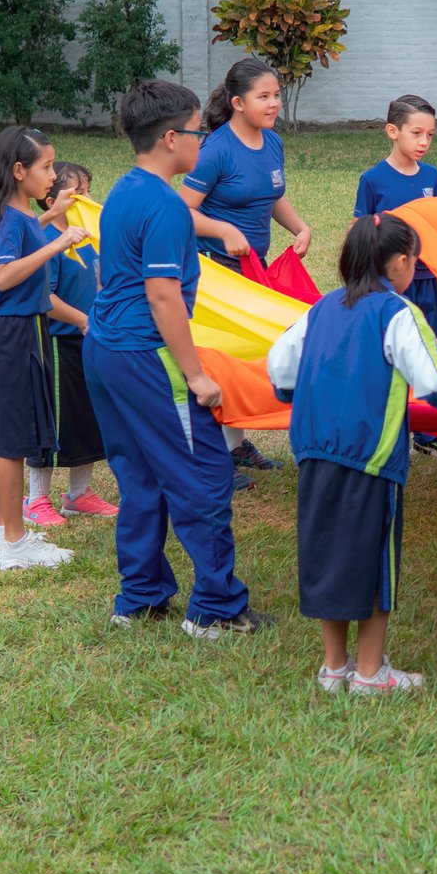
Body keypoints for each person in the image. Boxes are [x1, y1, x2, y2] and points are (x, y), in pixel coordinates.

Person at [268, 213, 437, 695]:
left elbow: (280, 368)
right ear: (400, 263)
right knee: (374, 562)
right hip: (370, 458)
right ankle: (371, 674)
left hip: (314, 451)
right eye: (415, 259)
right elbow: (435, 382)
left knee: (328, 555)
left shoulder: (321, 309)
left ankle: (334, 668)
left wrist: (300, 397)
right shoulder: (398, 313)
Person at [85, 79, 272, 637]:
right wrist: (195, 374)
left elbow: (115, 264)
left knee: (140, 475)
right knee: (205, 478)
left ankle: (139, 599)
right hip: (148, 358)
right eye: (198, 131)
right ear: (171, 138)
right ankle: (215, 610)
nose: (204, 140)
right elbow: (163, 295)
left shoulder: (124, 189)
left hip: (104, 350)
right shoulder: (165, 206)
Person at [181, 57, 312, 481]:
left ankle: (234, 446)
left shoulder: (270, 142)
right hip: (215, 271)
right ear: (238, 103)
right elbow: (181, 212)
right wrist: (221, 229)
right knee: (221, 361)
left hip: (252, 271)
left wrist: (298, 225)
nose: (273, 103)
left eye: (276, 95)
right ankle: (212, 457)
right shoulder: (214, 151)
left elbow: (271, 194)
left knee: (251, 355)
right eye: (264, 97)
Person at [0, 126, 85, 570]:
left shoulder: (15, 215)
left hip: (8, 332)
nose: (53, 175)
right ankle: (16, 544)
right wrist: (57, 241)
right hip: (16, 335)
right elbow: (3, 276)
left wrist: (51, 214)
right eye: (46, 167)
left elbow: (21, 237)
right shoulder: (11, 220)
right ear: (19, 171)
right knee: (12, 440)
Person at [353, 94, 437, 461]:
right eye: (416, 133)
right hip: (389, 286)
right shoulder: (373, 180)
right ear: (392, 131)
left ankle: (428, 431)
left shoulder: (432, 176)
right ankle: (385, 425)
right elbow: (361, 230)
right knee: (388, 353)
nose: (424, 142)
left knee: (430, 349)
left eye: (430, 135)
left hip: (427, 278)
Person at [22, 161, 120, 528]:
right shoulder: (49, 242)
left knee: (87, 420)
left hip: (89, 343)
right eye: (77, 193)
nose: (87, 199)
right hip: (59, 346)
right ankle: (35, 499)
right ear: (51, 200)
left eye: (88, 190)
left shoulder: (87, 236)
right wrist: (82, 320)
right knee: (54, 421)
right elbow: (46, 301)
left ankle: (79, 494)